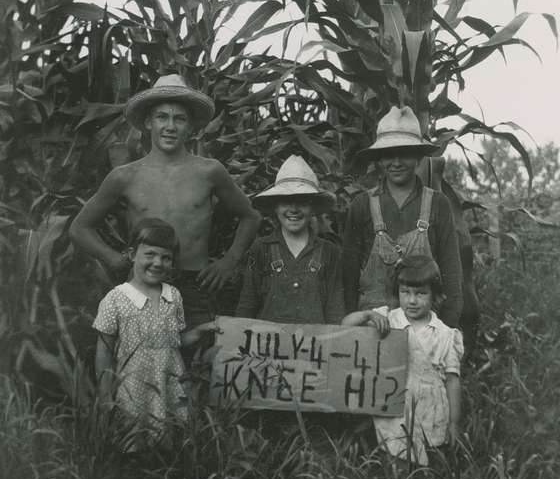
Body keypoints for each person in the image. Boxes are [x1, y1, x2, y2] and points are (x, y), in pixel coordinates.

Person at [69, 73, 261, 325]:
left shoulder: (209, 171)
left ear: (190, 126)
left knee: (198, 357)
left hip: (196, 285)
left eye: (179, 119)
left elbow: (251, 216)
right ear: (148, 122)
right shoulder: (125, 176)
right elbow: (79, 227)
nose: (170, 126)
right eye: (162, 117)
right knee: (142, 356)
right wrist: (113, 258)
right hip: (142, 283)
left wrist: (229, 261)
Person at [94, 218, 213, 447]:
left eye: (166, 257)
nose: (158, 263)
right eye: (150, 254)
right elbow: (104, 351)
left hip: (169, 382)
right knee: (134, 442)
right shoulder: (116, 298)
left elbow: (174, 341)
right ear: (131, 255)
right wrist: (105, 395)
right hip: (134, 386)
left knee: (170, 443)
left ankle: (168, 477)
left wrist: (199, 332)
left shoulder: (173, 295)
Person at [343, 106, 463, 327]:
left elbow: (452, 281)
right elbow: (347, 282)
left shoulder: (438, 204)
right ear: (379, 159)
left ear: (418, 157)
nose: (396, 162)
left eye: (405, 153)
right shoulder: (361, 206)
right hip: (372, 334)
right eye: (389, 154)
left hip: (424, 335)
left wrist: (443, 334)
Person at [342, 255, 463, 465]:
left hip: (430, 409)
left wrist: (454, 422)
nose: (412, 300)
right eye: (405, 292)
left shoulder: (445, 334)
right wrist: (367, 316)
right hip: (395, 407)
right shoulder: (388, 319)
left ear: (435, 295)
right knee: (394, 456)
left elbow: (452, 380)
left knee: (430, 462)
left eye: (421, 293)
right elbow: (345, 328)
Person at [236, 155, 345, 324]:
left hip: (315, 347)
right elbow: (247, 305)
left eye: (302, 202)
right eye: (286, 202)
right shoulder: (261, 249)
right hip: (268, 347)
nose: (293, 209)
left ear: (313, 207)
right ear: (275, 207)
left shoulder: (329, 251)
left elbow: (335, 311)